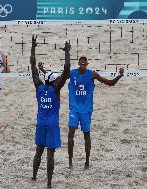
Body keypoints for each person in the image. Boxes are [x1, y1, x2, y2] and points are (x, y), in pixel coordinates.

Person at [67, 56, 124, 170]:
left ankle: (87, 162)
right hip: (74, 109)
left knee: (87, 136)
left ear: (87, 64)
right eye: (81, 61)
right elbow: (56, 80)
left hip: (86, 110)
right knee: (70, 134)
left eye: (85, 61)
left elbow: (110, 83)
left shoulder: (92, 74)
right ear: (78, 63)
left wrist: (119, 76)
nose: (83, 62)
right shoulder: (71, 73)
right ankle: (70, 163)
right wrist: (43, 72)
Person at [30, 35, 70, 188]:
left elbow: (33, 66)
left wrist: (33, 47)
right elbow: (66, 71)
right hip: (52, 126)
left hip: (41, 124)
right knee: (50, 155)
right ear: (54, 81)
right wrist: (67, 52)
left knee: (38, 152)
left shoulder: (39, 87)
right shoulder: (56, 89)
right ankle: (48, 183)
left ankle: (33, 177)